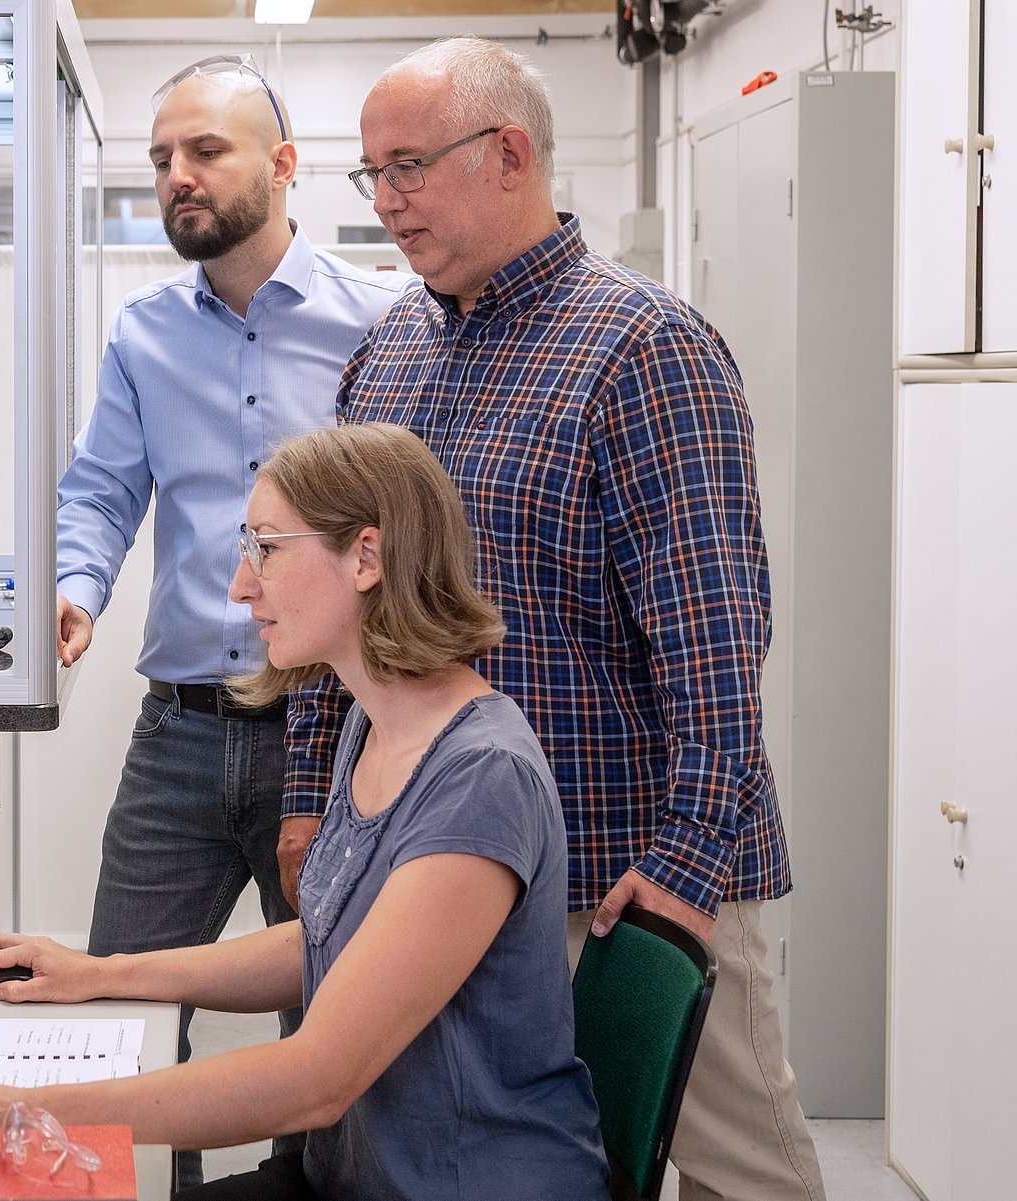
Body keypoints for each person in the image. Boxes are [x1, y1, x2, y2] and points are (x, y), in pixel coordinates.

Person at [283, 37, 825, 1201]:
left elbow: (719, 646)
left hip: (627, 881)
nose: (385, 201)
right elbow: (340, 609)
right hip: (443, 877)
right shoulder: (385, 359)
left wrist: (682, 871)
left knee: (742, 1172)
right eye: (370, 173)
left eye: (409, 167)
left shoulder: (644, 349)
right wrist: (303, 800)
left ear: (508, 155)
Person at [0, 423, 608, 1201]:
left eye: (267, 548)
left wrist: (17, 1111)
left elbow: (314, 1077)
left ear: (366, 556)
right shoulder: (376, 723)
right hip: (350, 1175)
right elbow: (322, 944)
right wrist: (102, 972)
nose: (239, 585)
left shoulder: (480, 774)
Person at [54, 56, 410, 1186]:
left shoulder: (383, 322)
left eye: (204, 151)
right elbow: (103, 489)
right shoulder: (144, 333)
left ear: (284, 165)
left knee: (329, 1013)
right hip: (183, 735)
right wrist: (78, 585)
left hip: (333, 732)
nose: (178, 177)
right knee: (111, 993)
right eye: (162, 159)